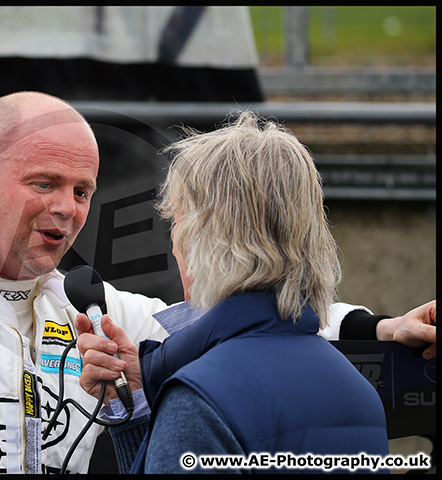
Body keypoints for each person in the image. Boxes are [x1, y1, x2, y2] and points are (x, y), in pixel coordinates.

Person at [0, 92, 435, 475]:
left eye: (83, 190)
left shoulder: (92, 306)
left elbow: (237, 315)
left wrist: (375, 327)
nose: (68, 207)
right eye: (45, 183)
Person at [74, 112, 433, 474]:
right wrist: (135, 401)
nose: (172, 245)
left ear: (204, 241)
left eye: (177, 221)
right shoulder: (358, 392)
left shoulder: (199, 400)